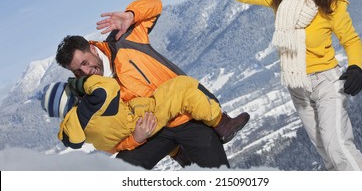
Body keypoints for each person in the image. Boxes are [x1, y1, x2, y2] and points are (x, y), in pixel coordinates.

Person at [232, 0, 362, 171]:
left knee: (337, 147)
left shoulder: (328, 2)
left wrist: (355, 67)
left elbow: (350, 40)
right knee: (326, 154)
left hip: (326, 82)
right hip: (297, 85)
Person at [55, 0, 250, 169]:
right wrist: (135, 138)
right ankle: (177, 152)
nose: (86, 72)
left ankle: (219, 127)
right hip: (152, 135)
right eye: (77, 71)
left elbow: (155, 6)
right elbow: (107, 138)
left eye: (85, 63)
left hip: (187, 117)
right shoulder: (88, 95)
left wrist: (131, 14)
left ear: (92, 48)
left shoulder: (124, 40)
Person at [42, 74, 246, 160]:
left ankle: (181, 155)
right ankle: (221, 124)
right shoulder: (92, 107)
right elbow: (109, 87)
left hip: (141, 130)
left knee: (171, 121)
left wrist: (136, 139)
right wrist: (82, 83)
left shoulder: (87, 135)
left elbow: (116, 147)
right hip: (147, 114)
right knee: (184, 88)